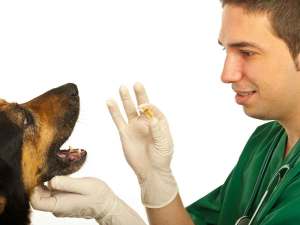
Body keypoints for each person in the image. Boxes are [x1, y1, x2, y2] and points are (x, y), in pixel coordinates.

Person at [31, 0, 300, 224]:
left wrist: (111, 212)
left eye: (247, 52)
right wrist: (156, 181)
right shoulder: (266, 142)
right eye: (225, 50)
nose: (226, 75)